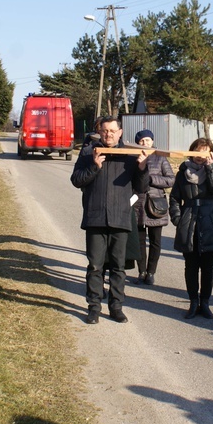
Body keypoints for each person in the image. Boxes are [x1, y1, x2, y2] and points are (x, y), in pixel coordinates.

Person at [70, 116, 150, 324]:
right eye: (105, 131)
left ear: (120, 132)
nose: (109, 134)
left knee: (118, 267)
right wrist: (94, 167)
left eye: (113, 131)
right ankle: (93, 308)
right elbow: (76, 180)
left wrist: (142, 168)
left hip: (121, 218)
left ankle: (116, 307)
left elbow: (141, 188)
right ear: (100, 132)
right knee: (95, 266)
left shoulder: (131, 155)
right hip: (95, 217)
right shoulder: (89, 152)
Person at [169, 137, 213, 319]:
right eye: (198, 150)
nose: (201, 155)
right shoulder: (182, 172)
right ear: (192, 151)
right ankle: (193, 302)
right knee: (191, 265)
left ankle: (206, 302)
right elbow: (174, 199)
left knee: (208, 266)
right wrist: (178, 219)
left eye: (205, 151)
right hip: (189, 221)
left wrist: (210, 168)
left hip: (211, 221)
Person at [132, 129, 175, 286]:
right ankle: (141, 271)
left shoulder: (161, 158)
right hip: (137, 204)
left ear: (152, 141)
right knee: (139, 241)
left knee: (156, 241)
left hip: (156, 204)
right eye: (142, 141)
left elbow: (171, 180)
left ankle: (151, 272)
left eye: (148, 140)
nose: (145, 143)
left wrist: (150, 179)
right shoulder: (132, 158)